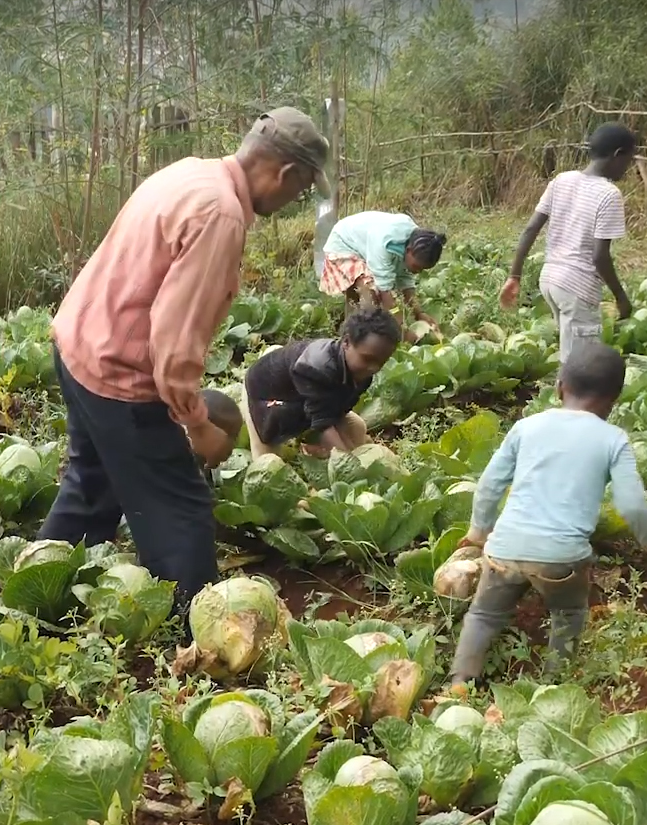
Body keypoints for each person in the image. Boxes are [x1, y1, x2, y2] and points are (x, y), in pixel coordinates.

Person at [41, 107, 328, 613]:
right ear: (285, 173)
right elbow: (173, 343)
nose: (294, 200)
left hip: (79, 346)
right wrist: (197, 425)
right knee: (180, 510)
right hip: (120, 375)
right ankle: (195, 643)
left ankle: (36, 605)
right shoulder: (221, 213)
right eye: (301, 188)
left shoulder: (189, 172)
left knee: (91, 487)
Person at [449, 342, 647, 684]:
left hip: (504, 549)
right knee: (568, 613)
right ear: (615, 398)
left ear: (559, 386)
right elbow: (632, 504)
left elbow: (489, 484)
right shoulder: (614, 439)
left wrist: (479, 533)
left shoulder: (526, 426)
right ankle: (553, 683)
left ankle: (460, 683)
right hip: (561, 559)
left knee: (483, 615)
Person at [501, 122, 639, 363]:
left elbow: (531, 228)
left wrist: (515, 275)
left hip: (551, 280)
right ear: (618, 155)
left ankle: (560, 395)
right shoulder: (609, 194)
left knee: (570, 354)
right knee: (580, 363)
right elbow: (600, 257)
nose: (629, 168)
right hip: (577, 286)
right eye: (629, 160)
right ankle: (566, 398)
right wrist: (621, 297)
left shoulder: (562, 180)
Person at [241, 307, 403, 459]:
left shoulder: (361, 371)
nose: (373, 368)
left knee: (357, 428)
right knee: (268, 464)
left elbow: (335, 413)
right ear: (346, 342)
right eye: (367, 359)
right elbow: (323, 424)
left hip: (304, 398)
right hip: (265, 394)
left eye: (381, 362)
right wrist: (348, 461)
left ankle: (314, 450)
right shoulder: (316, 368)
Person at [318, 211, 446, 334]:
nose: (417, 272)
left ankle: (351, 332)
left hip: (364, 247)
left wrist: (419, 313)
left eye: (422, 270)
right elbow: (386, 292)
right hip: (343, 243)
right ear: (408, 250)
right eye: (417, 267)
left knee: (359, 301)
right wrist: (400, 327)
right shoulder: (385, 244)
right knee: (369, 293)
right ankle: (362, 334)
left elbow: (406, 283)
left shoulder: (418, 242)